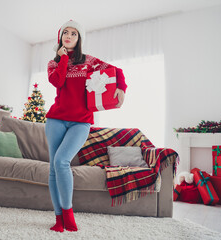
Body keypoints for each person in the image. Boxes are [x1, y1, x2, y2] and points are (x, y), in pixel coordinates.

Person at [45, 20, 127, 232]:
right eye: (65, 33)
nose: (69, 36)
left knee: (62, 161)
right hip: (56, 120)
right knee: (54, 168)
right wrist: (63, 57)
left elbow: (115, 70)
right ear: (60, 37)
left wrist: (121, 88)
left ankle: (68, 213)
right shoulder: (53, 64)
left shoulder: (88, 61)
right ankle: (58, 219)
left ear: (79, 38)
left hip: (81, 121)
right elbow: (58, 82)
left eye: (74, 33)